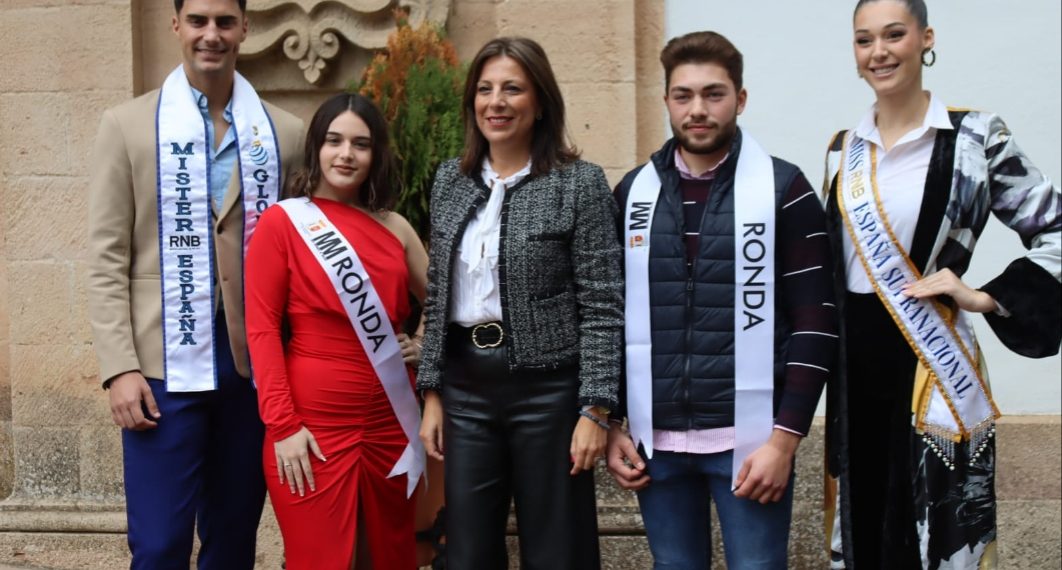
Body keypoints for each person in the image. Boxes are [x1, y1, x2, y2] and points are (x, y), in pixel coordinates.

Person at [821, 1, 1062, 568]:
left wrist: (988, 297)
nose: (879, 52)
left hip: (934, 362)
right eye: (864, 40)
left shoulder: (976, 137)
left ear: (925, 38)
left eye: (894, 35)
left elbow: (1054, 228)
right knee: (864, 532)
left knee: (938, 533)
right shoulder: (841, 150)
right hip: (855, 372)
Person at [606, 31, 838, 569]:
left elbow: (816, 321)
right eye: (683, 95)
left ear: (740, 98)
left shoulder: (784, 190)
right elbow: (607, 317)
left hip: (752, 445)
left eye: (714, 94)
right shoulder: (633, 193)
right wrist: (612, 421)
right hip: (656, 446)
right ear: (666, 100)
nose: (698, 110)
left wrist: (785, 441)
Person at [85, 0, 304, 568]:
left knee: (232, 541)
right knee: (159, 543)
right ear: (176, 25)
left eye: (225, 22)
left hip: (251, 367)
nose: (212, 34)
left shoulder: (285, 134)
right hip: (162, 368)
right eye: (199, 21)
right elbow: (107, 257)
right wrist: (119, 367)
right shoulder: (127, 126)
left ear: (245, 28)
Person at [416, 37, 623, 569]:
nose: (496, 102)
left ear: (540, 101)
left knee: (558, 554)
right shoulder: (450, 181)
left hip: (549, 395)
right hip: (466, 392)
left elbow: (602, 305)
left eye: (512, 88)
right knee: (467, 554)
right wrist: (433, 392)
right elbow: (438, 297)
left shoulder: (579, 184)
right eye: (485, 89)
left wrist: (596, 409)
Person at [244, 92, 428, 569]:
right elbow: (261, 330)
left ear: (376, 154)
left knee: (387, 557)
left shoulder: (396, 227)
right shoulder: (283, 222)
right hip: (312, 427)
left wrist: (423, 342)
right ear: (316, 148)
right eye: (334, 141)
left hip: (391, 424)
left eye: (360, 144)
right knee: (319, 559)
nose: (346, 154)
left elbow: (446, 298)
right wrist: (283, 426)